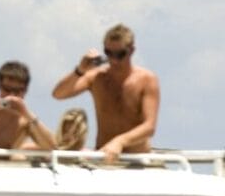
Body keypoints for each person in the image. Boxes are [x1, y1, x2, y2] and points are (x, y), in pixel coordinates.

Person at [51, 23, 160, 162]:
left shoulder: (147, 79)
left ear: (131, 50)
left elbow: (149, 127)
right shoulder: (96, 77)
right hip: (104, 157)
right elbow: (58, 94)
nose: (114, 60)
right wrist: (80, 70)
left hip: (137, 160)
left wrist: (120, 142)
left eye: (120, 54)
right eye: (109, 53)